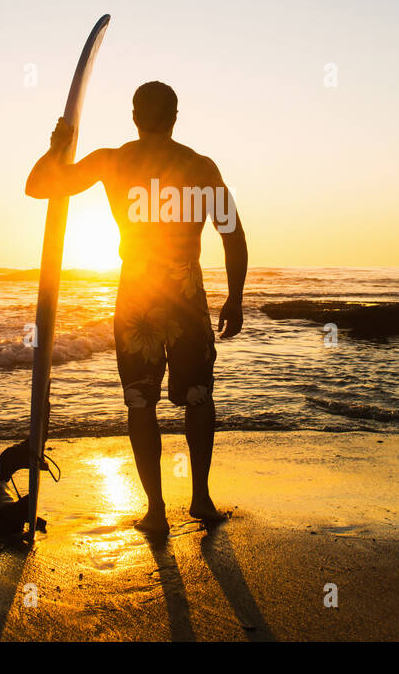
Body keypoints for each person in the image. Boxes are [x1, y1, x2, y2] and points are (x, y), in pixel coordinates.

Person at [25, 81, 248, 535]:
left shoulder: (113, 160)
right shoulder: (200, 167)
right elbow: (233, 235)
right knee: (198, 396)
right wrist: (235, 296)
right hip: (187, 294)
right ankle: (201, 499)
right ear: (175, 116)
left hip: (136, 295)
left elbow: (38, 187)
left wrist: (56, 149)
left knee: (140, 400)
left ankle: (155, 510)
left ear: (134, 115)